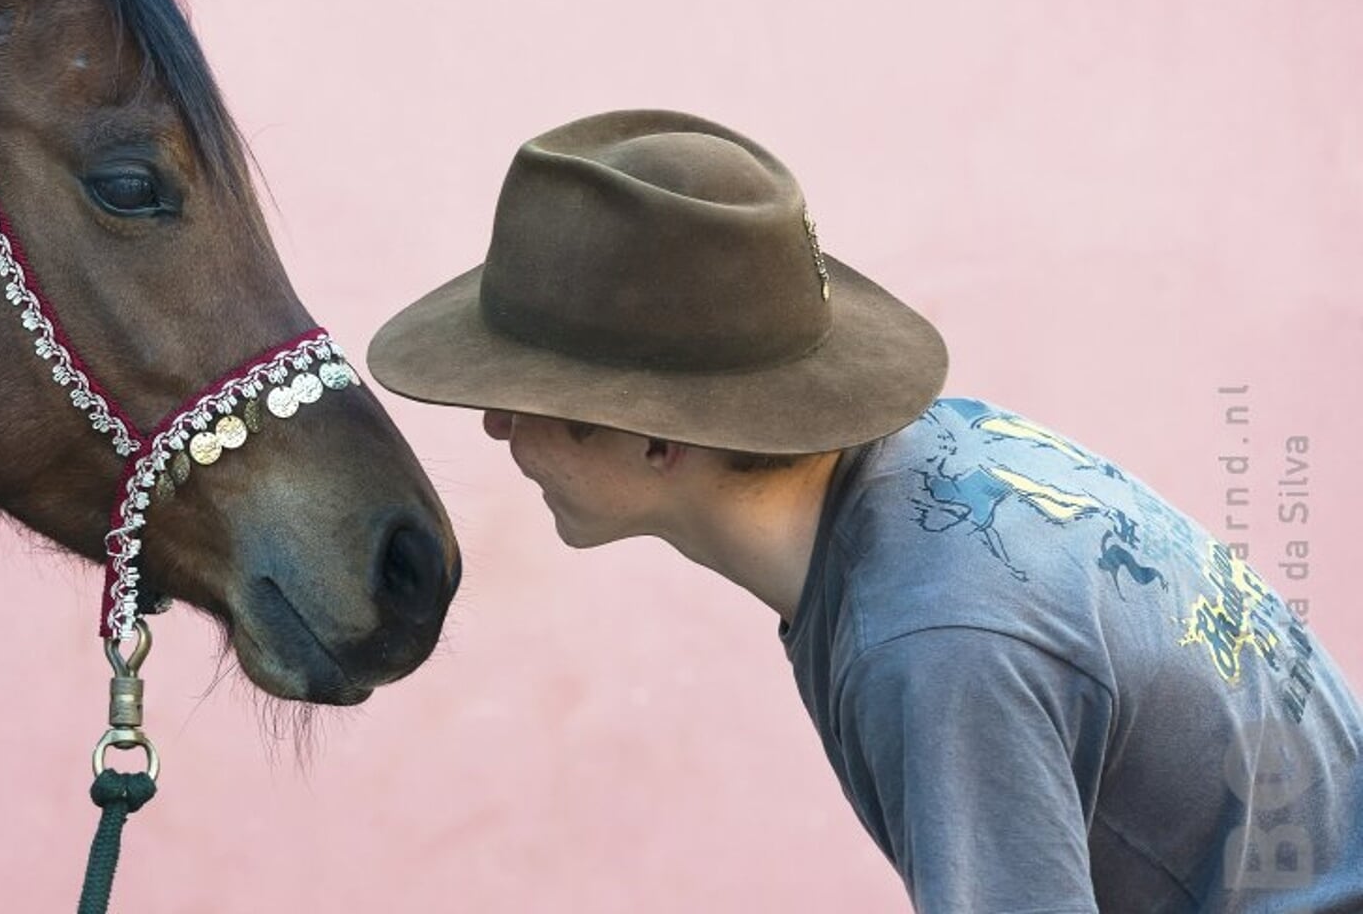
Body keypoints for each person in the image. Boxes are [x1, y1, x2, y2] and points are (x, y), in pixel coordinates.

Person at [366, 109, 1363, 913]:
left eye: (523, 393)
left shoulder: (932, 644)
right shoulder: (940, 462)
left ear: (655, 434)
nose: (494, 425)